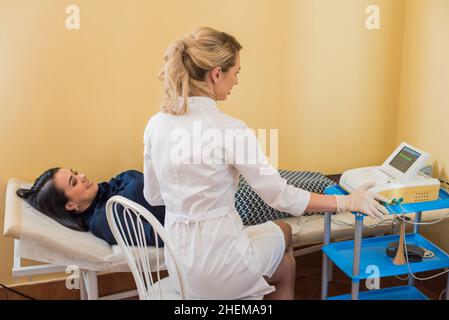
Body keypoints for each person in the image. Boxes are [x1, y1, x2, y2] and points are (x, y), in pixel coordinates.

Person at [143, 26, 390, 300]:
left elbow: (153, 195)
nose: (236, 81)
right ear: (216, 74)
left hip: (178, 263)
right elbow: (279, 196)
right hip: (219, 268)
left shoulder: (156, 124)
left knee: (281, 247)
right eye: (236, 72)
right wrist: (348, 202)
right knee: (285, 247)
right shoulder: (229, 129)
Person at [16, 168, 165, 246]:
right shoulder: (104, 218)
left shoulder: (109, 187)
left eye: (75, 173)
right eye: (74, 182)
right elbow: (158, 237)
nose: (82, 176)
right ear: (70, 204)